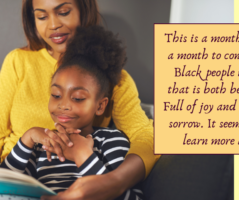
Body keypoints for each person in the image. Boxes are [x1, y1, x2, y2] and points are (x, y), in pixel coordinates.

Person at [0, 0, 158, 199]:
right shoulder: (18, 62)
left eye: (64, 12)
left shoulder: (111, 77)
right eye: (41, 16)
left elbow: (145, 135)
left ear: (84, 10)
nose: (53, 25)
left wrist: (114, 182)